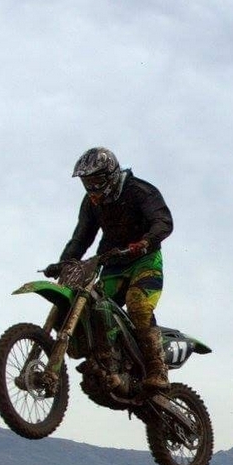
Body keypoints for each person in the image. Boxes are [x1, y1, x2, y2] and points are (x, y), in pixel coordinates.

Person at [44, 148, 174, 390]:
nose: (92, 187)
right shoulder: (91, 203)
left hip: (144, 260)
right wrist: (64, 263)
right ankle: (106, 359)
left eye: (96, 180)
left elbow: (163, 221)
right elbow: (81, 237)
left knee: (138, 305)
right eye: (87, 182)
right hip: (112, 262)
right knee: (94, 307)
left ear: (111, 174)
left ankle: (158, 369)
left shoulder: (139, 191)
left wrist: (146, 241)